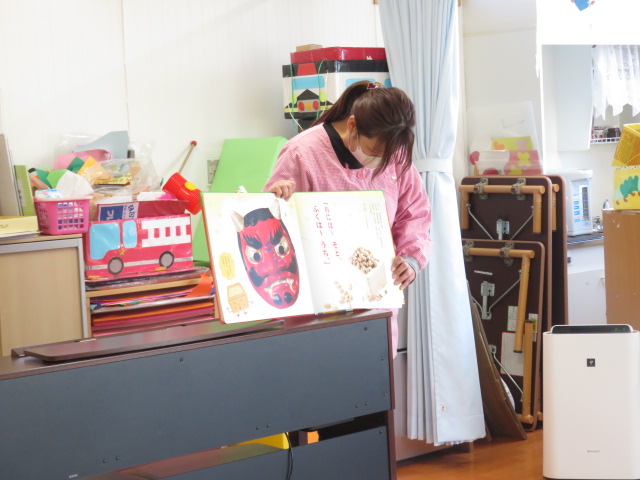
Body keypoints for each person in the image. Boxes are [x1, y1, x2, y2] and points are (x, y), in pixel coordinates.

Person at [264, 80, 432, 357]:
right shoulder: (302, 153)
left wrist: (412, 259)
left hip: (374, 304)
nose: (380, 163)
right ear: (352, 125)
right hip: (313, 309)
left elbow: (415, 213)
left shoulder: (397, 153)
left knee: (374, 378)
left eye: (388, 156)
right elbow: (269, 228)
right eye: (375, 153)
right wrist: (276, 199)